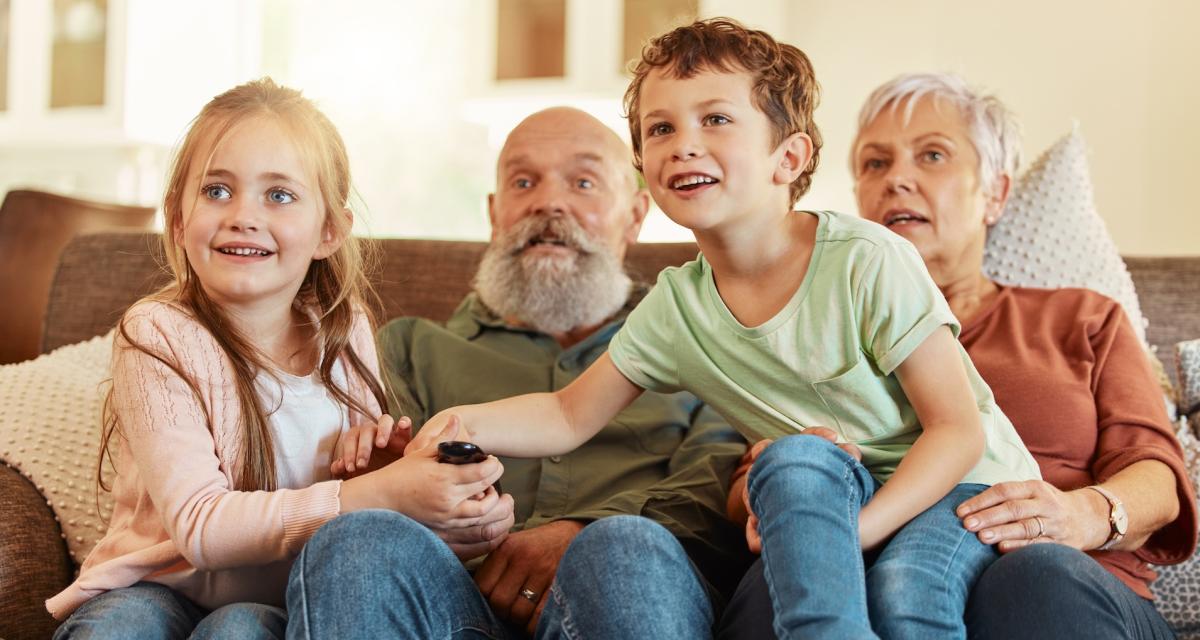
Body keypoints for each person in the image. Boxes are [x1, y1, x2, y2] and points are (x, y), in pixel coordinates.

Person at [407, 19, 1042, 639]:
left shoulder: (866, 259)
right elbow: (569, 414)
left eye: (715, 119)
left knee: (906, 593)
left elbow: (957, 432)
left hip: (966, 483)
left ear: (787, 157)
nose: (683, 143)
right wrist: (464, 421)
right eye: (661, 128)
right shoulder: (677, 306)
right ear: (645, 172)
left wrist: (856, 533)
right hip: (831, 491)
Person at [719, 72, 1199, 640]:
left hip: (1058, 579)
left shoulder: (1082, 319)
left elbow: (1158, 481)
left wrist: (1083, 515)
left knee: (1031, 578)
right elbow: (743, 488)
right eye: (875, 164)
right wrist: (776, 492)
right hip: (855, 580)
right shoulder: (802, 329)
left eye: (932, 155)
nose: (897, 179)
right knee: (774, 586)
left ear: (994, 193)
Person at [46, 78, 504, 639]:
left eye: (279, 195)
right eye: (217, 191)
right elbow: (199, 526)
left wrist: (391, 475)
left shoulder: (344, 330)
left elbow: (353, 513)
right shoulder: (157, 333)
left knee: (238, 630)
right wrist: (377, 491)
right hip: (160, 586)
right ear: (178, 218)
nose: (243, 215)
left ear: (329, 231)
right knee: (116, 630)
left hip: (288, 596)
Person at [284, 106, 752, 639]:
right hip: (459, 606)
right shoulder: (408, 348)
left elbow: (714, 491)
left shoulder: (700, 338)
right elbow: (381, 498)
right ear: (494, 212)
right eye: (524, 182)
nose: (549, 202)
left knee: (622, 550)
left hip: (628, 593)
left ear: (635, 215)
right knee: (357, 542)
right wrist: (388, 478)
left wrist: (584, 533)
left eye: (583, 182)